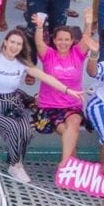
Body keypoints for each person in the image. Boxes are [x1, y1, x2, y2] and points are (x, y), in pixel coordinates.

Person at [0, 17, 75, 181]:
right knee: (13, 128)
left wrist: (68, 90)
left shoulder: (22, 64)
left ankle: (16, 164)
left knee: (26, 129)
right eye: (12, 42)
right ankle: (15, 164)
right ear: (5, 43)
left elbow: (46, 78)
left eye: (18, 44)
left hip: (14, 104)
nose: (14, 46)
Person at [37, 19, 90, 167]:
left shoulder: (77, 54)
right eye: (59, 39)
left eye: (67, 39)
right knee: (68, 132)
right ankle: (72, 164)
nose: (63, 42)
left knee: (73, 124)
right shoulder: (48, 55)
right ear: (54, 40)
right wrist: (40, 27)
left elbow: (86, 39)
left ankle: (66, 163)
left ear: (72, 41)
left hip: (72, 105)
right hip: (49, 106)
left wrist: (88, 23)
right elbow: (39, 43)